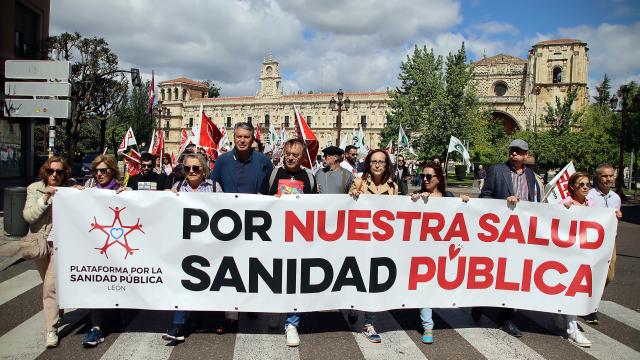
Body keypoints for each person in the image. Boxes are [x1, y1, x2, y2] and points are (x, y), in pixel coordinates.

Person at [209, 122, 273, 333]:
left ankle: (252, 304)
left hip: (257, 224)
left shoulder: (264, 161)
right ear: (233, 138)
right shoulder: (222, 161)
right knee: (230, 268)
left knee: (253, 267)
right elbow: (211, 188)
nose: (243, 140)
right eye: (239, 137)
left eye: (247, 137)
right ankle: (230, 316)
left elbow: (272, 188)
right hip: (228, 224)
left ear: (253, 138)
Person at [473, 139, 541, 338]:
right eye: (512, 150)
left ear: (526, 155)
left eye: (519, 151)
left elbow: (535, 202)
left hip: (521, 235)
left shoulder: (531, 176)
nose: (514, 154)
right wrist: (503, 203)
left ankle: (506, 317)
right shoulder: (497, 170)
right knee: (493, 271)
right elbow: (484, 197)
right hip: (499, 232)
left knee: (513, 276)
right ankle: (479, 302)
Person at [260, 138, 317, 347]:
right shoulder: (273, 174)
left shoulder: (309, 178)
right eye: (288, 153)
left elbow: (316, 208)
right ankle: (276, 309)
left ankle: (292, 324)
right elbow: (259, 203)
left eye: (296, 154)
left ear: (303, 157)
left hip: (299, 239)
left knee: (295, 281)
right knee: (276, 277)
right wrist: (272, 200)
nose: (291, 157)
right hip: (275, 237)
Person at [162, 153, 221, 343]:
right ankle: (177, 324)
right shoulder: (177, 187)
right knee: (185, 282)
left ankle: (197, 316)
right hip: (184, 246)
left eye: (196, 168)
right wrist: (166, 198)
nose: (192, 172)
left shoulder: (214, 187)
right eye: (187, 168)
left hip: (208, 244)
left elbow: (225, 209)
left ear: (203, 170)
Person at [410, 162, 469, 344]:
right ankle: (428, 326)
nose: (425, 180)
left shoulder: (448, 196)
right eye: (423, 176)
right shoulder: (418, 197)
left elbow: (461, 215)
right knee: (424, 287)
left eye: (429, 176)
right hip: (423, 252)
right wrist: (416, 199)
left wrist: (465, 201)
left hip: (444, 251)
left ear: (439, 178)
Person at [23, 156, 75, 348]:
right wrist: (44, 198)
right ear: (45, 172)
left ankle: (51, 330)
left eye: (59, 172)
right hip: (40, 243)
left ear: (65, 174)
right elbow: (28, 216)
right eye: (51, 171)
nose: (55, 175)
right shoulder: (34, 189)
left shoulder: (70, 188)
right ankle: (58, 309)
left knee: (50, 286)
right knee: (47, 281)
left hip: (61, 244)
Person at [348, 149, 398, 343]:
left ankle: (369, 323)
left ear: (387, 165)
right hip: (360, 241)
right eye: (374, 162)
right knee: (356, 277)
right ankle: (352, 304)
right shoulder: (359, 183)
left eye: (382, 162)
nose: (377, 165)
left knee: (373, 282)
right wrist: (352, 196)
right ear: (368, 164)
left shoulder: (393, 187)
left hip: (381, 244)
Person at [81, 154, 128, 347]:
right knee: (98, 283)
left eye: (103, 170)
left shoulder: (124, 191)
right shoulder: (88, 192)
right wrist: (75, 194)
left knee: (119, 283)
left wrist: (130, 195)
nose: (99, 174)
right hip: (97, 247)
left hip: (119, 247)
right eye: (96, 171)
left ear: (113, 171)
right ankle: (96, 327)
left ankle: (117, 315)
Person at [583, 164, 623, 325]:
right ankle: (590, 307)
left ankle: (591, 300)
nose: (608, 179)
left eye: (611, 175)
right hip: (591, 241)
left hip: (609, 240)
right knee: (589, 274)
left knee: (609, 275)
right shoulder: (590, 196)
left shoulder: (616, 198)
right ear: (597, 178)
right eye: (605, 176)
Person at [559, 171, 594, 347]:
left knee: (577, 288)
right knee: (572, 288)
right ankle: (572, 329)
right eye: (581, 184)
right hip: (568, 254)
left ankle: (568, 321)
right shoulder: (565, 203)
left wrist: (614, 215)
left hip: (586, 254)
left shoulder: (593, 204)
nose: (586, 187)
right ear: (572, 187)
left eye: (588, 184)